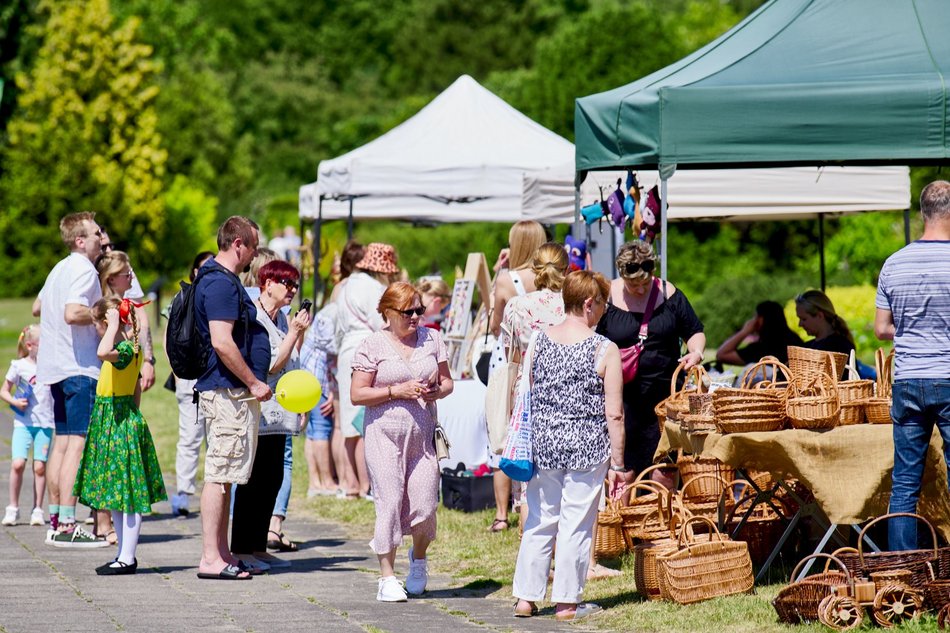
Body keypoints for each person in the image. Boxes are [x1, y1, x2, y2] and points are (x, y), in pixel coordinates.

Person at [512, 270, 627, 622]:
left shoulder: (539, 340)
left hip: (544, 444)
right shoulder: (605, 349)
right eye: (604, 305)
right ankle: (565, 603)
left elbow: (529, 390)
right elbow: (615, 413)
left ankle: (525, 599)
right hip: (587, 448)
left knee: (540, 520)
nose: (605, 312)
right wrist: (619, 465)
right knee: (576, 523)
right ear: (589, 303)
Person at [351, 282, 454, 602]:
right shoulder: (372, 345)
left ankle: (419, 560)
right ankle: (387, 577)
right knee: (390, 502)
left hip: (423, 435)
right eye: (408, 312)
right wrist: (397, 391)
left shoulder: (433, 338)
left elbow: (448, 381)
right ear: (388, 312)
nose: (415, 317)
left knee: (424, 506)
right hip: (384, 435)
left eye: (419, 310)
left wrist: (439, 390)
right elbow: (357, 394)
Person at [193, 216, 272, 581]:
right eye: (253, 247)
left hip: (230, 392)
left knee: (225, 475)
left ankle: (221, 552)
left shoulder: (220, 280)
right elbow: (222, 342)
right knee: (219, 473)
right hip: (227, 391)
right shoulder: (221, 285)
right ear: (238, 243)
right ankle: (211, 557)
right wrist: (254, 382)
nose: (254, 255)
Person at [875, 179, 950, 551]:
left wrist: (914, 327)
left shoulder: (894, 263)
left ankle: (901, 568)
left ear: (923, 213)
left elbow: (881, 329)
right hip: (948, 376)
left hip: (908, 380)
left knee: (904, 482)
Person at [596, 240, 705, 477]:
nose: (641, 290)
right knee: (624, 469)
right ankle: (625, 514)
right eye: (633, 284)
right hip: (622, 400)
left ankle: (660, 512)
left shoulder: (670, 293)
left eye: (646, 283)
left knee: (664, 469)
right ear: (621, 275)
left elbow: (694, 331)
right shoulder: (606, 297)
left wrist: (695, 352)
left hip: (665, 398)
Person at [73, 297, 166, 574]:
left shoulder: (124, 349)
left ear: (106, 322)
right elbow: (136, 388)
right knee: (116, 492)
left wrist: (113, 325)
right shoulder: (128, 347)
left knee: (130, 495)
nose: (97, 331)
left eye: (96, 325)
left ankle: (128, 557)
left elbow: (102, 353)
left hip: (119, 423)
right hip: (114, 422)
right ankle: (122, 554)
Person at [34, 211, 109, 548]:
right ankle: (67, 523)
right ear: (80, 240)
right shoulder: (83, 268)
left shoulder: (59, 268)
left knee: (61, 443)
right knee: (76, 445)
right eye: (95, 234)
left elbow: (38, 307)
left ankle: (54, 518)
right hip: (79, 368)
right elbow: (71, 312)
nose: (101, 239)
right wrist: (102, 309)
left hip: (54, 366)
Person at [231, 260, 310, 573]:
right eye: (286, 284)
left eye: (294, 285)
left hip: (281, 413)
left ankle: (258, 546)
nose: (292, 291)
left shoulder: (282, 319)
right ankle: (241, 548)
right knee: (254, 482)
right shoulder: (256, 316)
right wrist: (294, 334)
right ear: (267, 283)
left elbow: (293, 366)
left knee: (273, 478)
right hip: (260, 411)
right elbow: (271, 365)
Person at [489, 242, 568, 534]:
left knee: (528, 481)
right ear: (567, 268)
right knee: (564, 477)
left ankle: (533, 555)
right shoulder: (573, 303)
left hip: (528, 391)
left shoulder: (517, 306)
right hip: (568, 389)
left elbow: (512, 354)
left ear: (535, 270)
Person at [486, 220, 546, 531]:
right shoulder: (553, 278)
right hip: (546, 361)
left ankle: (503, 513)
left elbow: (496, 327)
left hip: (513, 360)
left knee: (506, 434)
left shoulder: (507, 282)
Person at [336, 242, 399, 499]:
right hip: (366, 350)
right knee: (364, 421)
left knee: (348, 425)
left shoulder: (345, 286)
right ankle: (367, 485)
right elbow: (382, 323)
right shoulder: (374, 288)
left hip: (345, 350)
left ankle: (351, 483)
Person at [168, 251, 215, 518]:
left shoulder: (219, 295)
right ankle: (184, 493)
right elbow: (171, 337)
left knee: (216, 439)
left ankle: (218, 493)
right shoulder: (183, 297)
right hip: (189, 380)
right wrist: (177, 370)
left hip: (214, 377)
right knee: (190, 437)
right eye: (201, 267)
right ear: (193, 271)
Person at [1, 325, 53, 527]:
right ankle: (12, 508)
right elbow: (4, 390)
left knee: (40, 467)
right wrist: (14, 402)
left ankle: (38, 509)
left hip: (45, 423)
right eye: (43, 344)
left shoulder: (50, 366)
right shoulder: (18, 365)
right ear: (30, 345)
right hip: (23, 423)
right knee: (18, 464)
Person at [99, 230, 156, 392]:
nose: (109, 250)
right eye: (104, 247)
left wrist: (148, 361)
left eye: (111, 245)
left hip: (126, 369)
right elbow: (104, 345)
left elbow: (142, 321)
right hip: (107, 374)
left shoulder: (125, 299)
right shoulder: (106, 305)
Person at [299, 304, 338, 498]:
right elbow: (332, 350)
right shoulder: (333, 316)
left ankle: (315, 482)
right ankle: (326, 481)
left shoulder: (326, 313)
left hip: (308, 373)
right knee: (322, 428)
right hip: (318, 377)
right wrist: (333, 390)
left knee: (313, 431)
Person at [716, 300, 804, 366]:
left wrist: (744, 331)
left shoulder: (761, 348)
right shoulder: (795, 340)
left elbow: (722, 354)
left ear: (760, 320)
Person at [794, 290, 855, 356]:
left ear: (820, 316)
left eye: (804, 319)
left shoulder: (839, 348)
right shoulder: (807, 347)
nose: (800, 324)